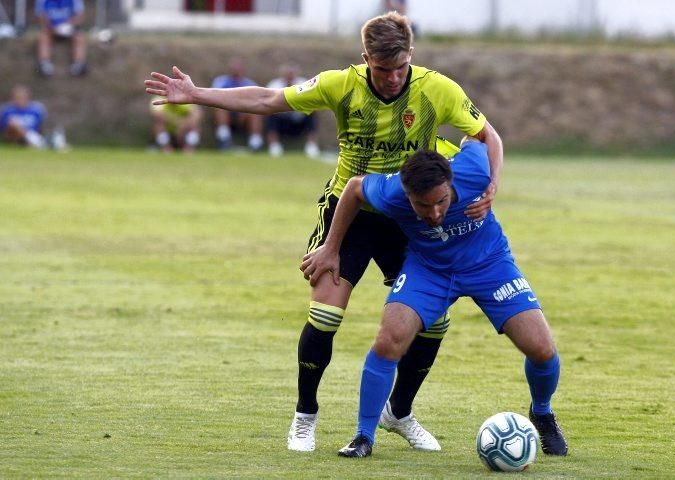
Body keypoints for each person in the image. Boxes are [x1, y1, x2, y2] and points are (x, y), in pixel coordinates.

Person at [144, 11, 504, 453]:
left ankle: (401, 412)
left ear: (411, 55)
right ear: (365, 58)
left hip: (406, 215)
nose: (391, 79)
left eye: (399, 68)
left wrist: (491, 188)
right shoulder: (340, 84)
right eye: (381, 68)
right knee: (326, 314)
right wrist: (197, 94)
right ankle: (305, 417)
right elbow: (268, 100)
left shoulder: (438, 89)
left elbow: (488, 136)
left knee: (433, 321)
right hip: (347, 213)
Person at [300, 139, 568, 458]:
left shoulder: (473, 170)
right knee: (389, 340)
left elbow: (481, 136)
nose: (435, 212)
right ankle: (364, 436)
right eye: (423, 206)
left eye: (441, 201)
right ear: (408, 195)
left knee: (541, 348)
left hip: (489, 264)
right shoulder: (393, 192)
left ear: (451, 183)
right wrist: (330, 248)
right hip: (430, 270)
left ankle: (542, 413)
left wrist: (493, 185)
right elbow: (355, 188)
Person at [264, 64, 319, 158]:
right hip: (281, 121)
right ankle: (274, 146)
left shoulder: (304, 83)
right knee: (270, 114)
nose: (290, 75)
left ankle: (312, 146)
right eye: (288, 73)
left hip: (299, 120)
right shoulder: (274, 85)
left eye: (292, 73)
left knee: (313, 112)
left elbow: (312, 101)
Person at [211, 59, 264, 151]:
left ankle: (255, 143)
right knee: (219, 108)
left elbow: (255, 100)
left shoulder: (250, 84)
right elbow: (215, 96)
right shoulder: (220, 81)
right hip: (227, 112)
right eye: (234, 68)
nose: (236, 71)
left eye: (238, 69)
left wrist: (243, 110)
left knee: (256, 112)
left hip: (244, 114)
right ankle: (224, 139)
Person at [35, 0, 88, 77]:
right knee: (43, 38)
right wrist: (52, 27)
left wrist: (69, 25)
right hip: (51, 29)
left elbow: (80, 15)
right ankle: (44, 64)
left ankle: (78, 64)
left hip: (69, 29)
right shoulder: (43, 1)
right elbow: (40, 17)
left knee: (79, 37)